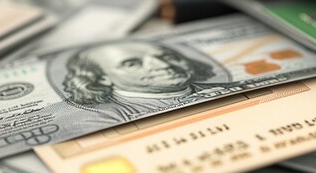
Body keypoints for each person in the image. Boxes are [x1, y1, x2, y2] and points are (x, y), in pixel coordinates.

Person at [62, 42, 217, 121]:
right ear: (102, 78)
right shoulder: (101, 118)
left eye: (167, 57)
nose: (163, 65)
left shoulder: (229, 90)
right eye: (132, 64)